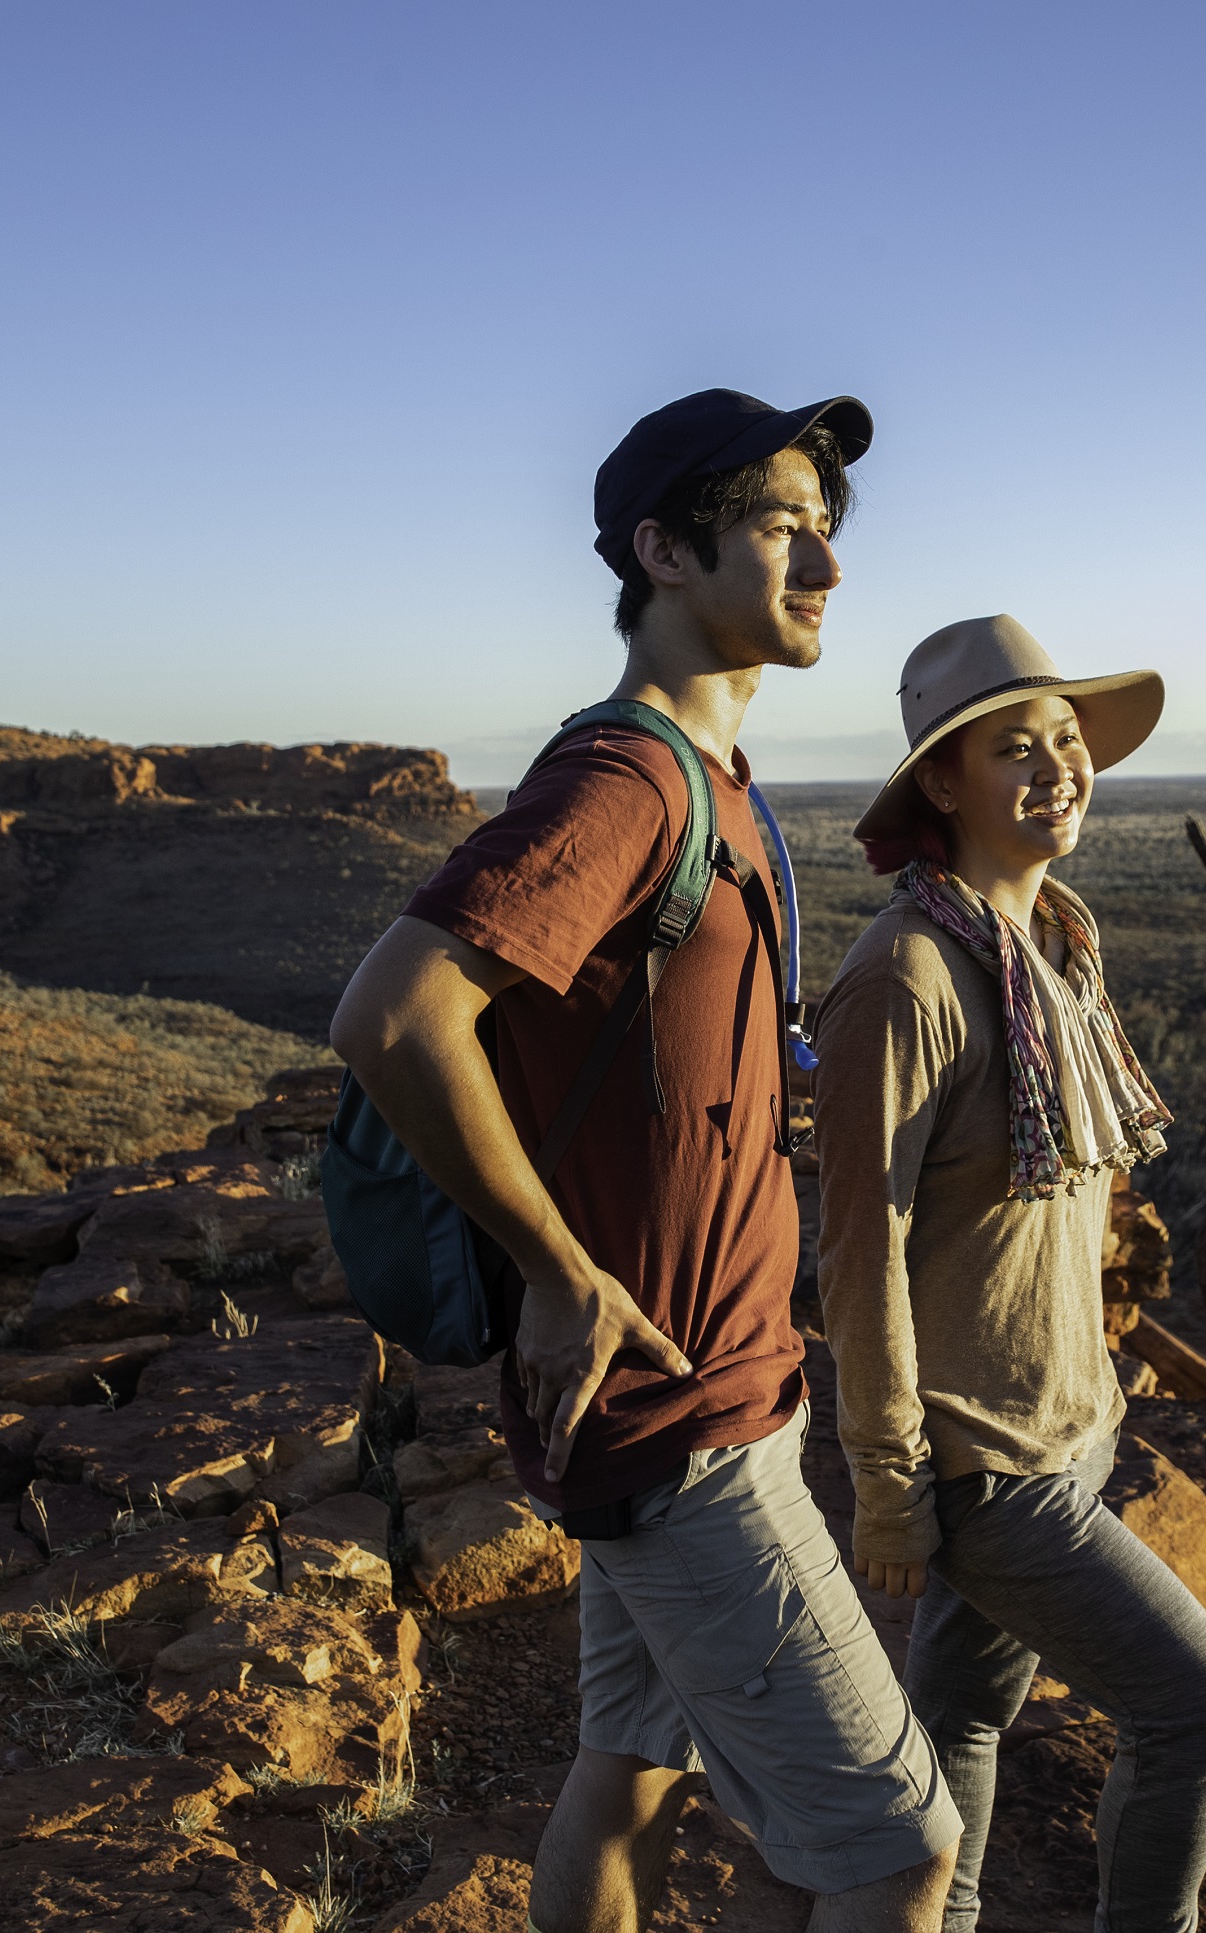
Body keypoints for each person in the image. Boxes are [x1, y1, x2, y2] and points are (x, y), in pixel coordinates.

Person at [328, 390, 962, 1933]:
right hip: (686, 1424)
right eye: (778, 525)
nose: (820, 561)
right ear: (662, 550)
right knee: (898, 1848)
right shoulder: (632, 781)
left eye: (828, 528)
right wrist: (560, 1272)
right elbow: (396, 1015)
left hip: (684, 1397)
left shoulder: (719, 782)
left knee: (627, 1781)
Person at [813, 615, 1206, 1932]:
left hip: (1066, 1430)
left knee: (960, 1721)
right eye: (1019, 747)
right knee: (1198, 1705)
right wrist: (889, 1487)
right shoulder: (903, 978)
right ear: (942, 781)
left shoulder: (1056, 947)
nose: (1061, 766)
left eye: (1068, 741)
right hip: (985, 1464)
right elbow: (856, 1252)